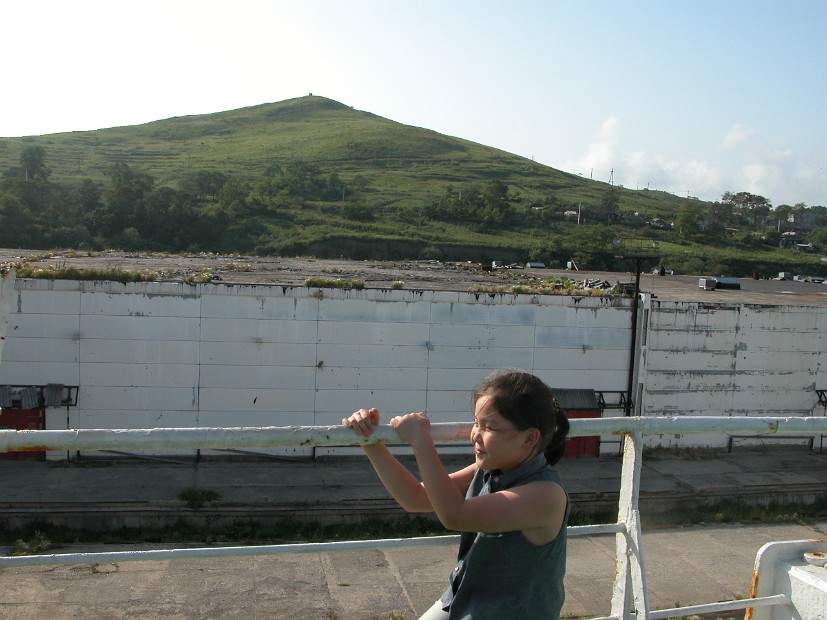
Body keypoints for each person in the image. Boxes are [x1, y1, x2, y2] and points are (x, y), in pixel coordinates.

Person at [342, 368, 570, 619]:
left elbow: (454, 515)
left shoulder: (546, 495)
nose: (475, 435)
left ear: (529, 438)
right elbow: (415, 498)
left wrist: (421, 440)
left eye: (489, 427)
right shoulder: (491, 468)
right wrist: (370, 440)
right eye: (476, 423)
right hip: (467, 600)